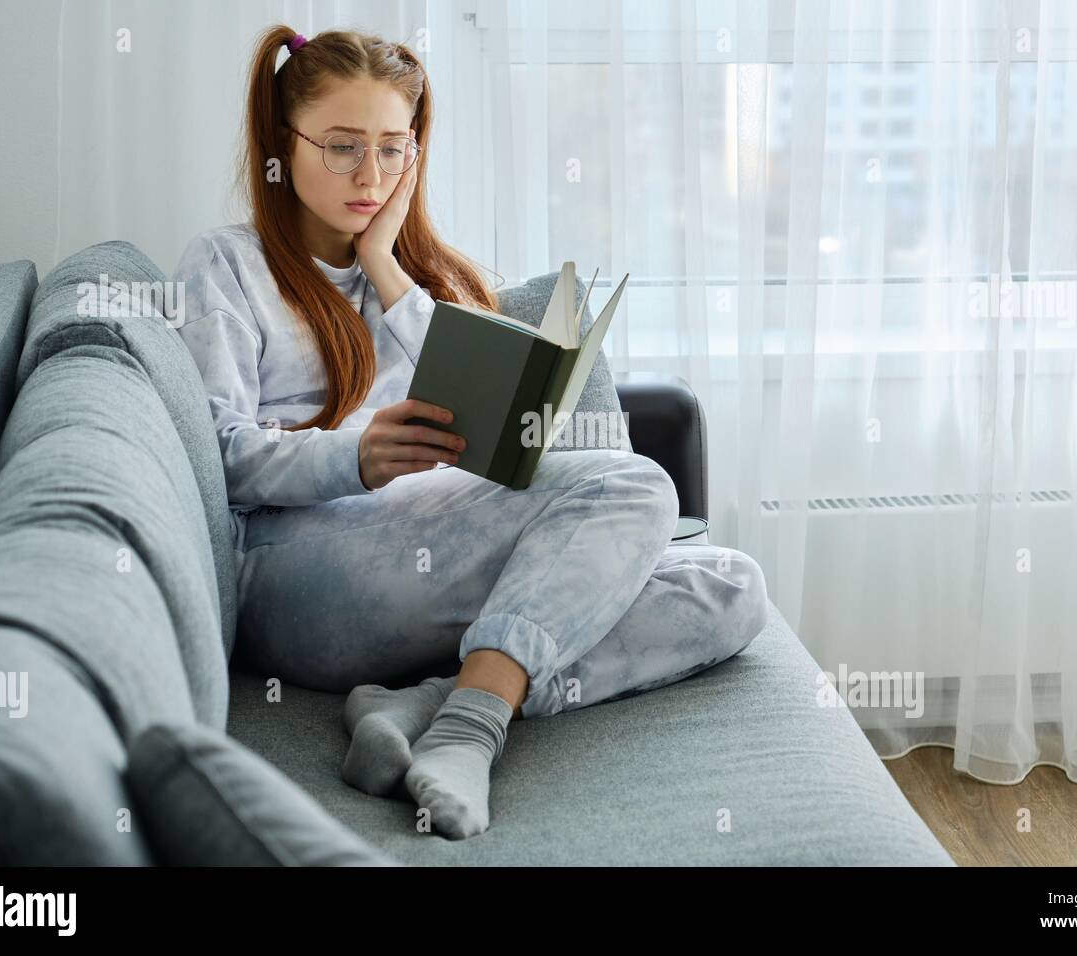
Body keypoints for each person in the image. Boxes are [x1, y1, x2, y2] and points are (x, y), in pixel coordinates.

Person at [172, 25, 769, 840]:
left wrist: (386, 268)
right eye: (342, 147)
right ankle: (471, 731)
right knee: (635, 482)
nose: (370, 176)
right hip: (299, 574)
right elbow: (219, 457)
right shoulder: (225, 267)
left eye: (392, 149)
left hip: (438, 561)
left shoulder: (427, 278)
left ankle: (436, 698)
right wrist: (357, 457)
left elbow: (483, 414)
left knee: (731, 589)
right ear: (284, 140)